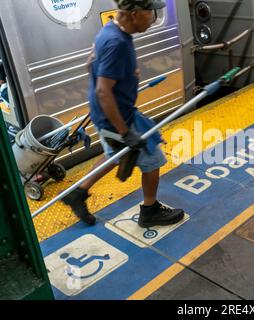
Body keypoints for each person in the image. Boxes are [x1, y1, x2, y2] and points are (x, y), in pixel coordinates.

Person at [62, 0, 185, 228]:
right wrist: (125, 132)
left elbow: (89, 63)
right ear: (134, 13)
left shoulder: (109, 30)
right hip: (118, 117)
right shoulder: (116, 42)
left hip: (106, 114)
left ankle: (78, 193)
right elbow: (103, 91)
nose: (153, 16)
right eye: (150, 12)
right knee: (153, 160)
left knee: (114, 153)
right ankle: (149, 211)